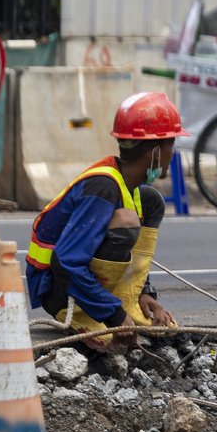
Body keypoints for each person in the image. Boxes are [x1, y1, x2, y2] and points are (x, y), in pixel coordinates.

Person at [26, 92, 184, 353]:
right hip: (60, 291)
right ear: (155, 151)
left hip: (76, 281)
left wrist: (144, 292)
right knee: (126, 221)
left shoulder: (129, 186)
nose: (173, 152)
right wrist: (112, 315)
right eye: (171, 144)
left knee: (151, 201)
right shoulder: (103, 188)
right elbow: (66, 261)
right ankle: (85, 311)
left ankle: (127, 299)